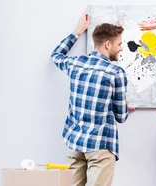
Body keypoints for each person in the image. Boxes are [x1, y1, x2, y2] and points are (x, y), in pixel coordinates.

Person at [51, 13, 135, 186]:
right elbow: (121, 116)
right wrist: (124, 107)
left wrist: (77, 31)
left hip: (74, 141)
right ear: (107, 44)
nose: (121, 48)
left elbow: (56, 55)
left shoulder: (76, 64)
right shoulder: (115, 72)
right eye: (119, 44)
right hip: (100, 144)